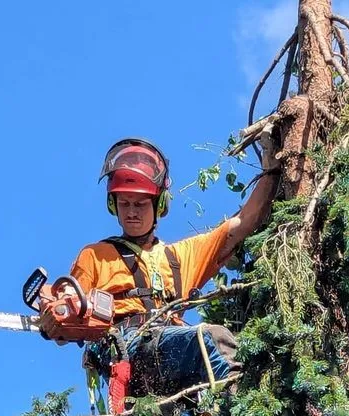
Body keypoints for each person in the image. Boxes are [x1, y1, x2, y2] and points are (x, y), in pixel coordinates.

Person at [39, 136, 280, 396]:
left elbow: (242, 223)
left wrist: (273, 169)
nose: (132, 212)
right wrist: (56, 310)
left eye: (140, 204)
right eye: (124, 203)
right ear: (113, 205)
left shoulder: (180, 257)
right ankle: (240, 407)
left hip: (172, 353)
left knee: (244, 356)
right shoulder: (96, 255)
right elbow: (67, 308)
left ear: (159, 204)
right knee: (211, 338)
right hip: (127, 350)